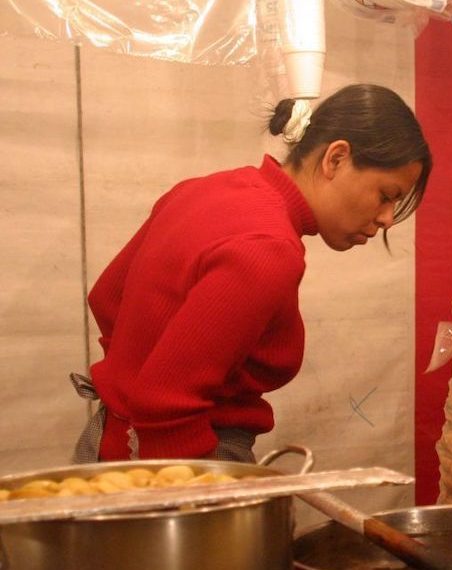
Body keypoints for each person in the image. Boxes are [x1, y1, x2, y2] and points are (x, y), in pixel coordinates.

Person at [70, 83, 432, 463]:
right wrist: (198, 501)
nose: (387, 219)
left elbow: (108, 297)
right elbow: (165, 407)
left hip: (104, 444)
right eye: (387, 195)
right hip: (167, 462)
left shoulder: (203, 189)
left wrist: (126, 381)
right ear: (336, 159)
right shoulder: (268, 249)